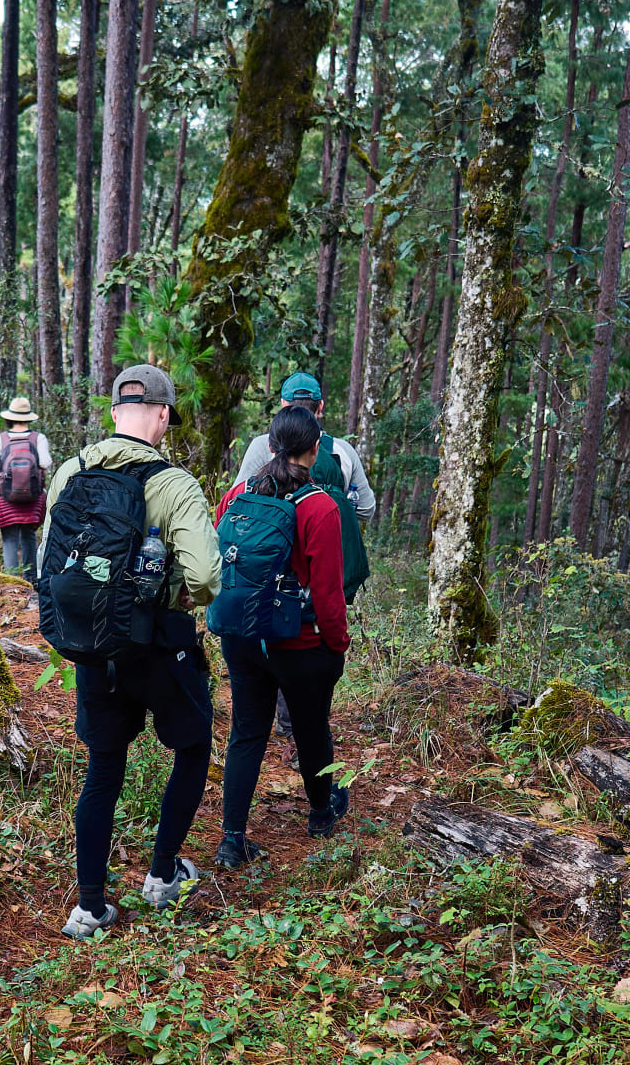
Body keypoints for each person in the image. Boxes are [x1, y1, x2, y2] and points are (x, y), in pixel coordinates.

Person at [35, 364, 221, 940]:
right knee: (193, 749)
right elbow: (208, 576)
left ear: (115, 410)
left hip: (92, 646)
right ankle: (163, 874)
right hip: (159, 645)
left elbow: (46, 560)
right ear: (162, 414)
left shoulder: (72, 470)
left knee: (103, 769)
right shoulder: (174, 484)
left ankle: (90, 907)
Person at [210, 405, 351, 870]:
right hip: (300, 642)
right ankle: (320, 812)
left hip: (244, 637)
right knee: (312, 729)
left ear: (270, 446)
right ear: (315, 450)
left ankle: (232, 839)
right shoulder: (320, 507)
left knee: (247, 732)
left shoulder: (235, 496)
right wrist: (337, 644)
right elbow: (329, 593)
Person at [236, 372, 377, 528]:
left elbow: (237, 499)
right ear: (320, 406)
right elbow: (366, 509)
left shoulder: (263, 444)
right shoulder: (343, 450)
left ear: (283, 404)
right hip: (328, 540)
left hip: (274, 545)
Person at [0, 396, 53, 573]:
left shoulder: (1, 439)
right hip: (33, 497)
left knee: (9, 538)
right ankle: (31, 577)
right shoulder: (39, 438)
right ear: (29, 417)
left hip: (6, 497)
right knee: (29, 536)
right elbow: (45, 463)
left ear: (9, 418)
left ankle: (11, 581)